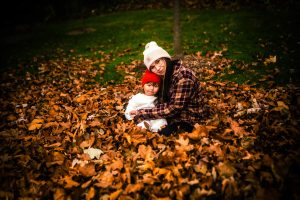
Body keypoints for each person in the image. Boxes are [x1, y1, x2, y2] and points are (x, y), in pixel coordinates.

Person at [132, 41, 207, 135]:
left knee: (161, 134)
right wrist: (139, 107)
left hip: (189, 117)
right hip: (172, 113)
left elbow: (174, 107)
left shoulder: (183, 77)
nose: (158, 68)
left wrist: (143, 113)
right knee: (141, 122)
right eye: (153, 67)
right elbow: (160, 98)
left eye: (158, 61)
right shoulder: (166, 73)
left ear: (165, 58)